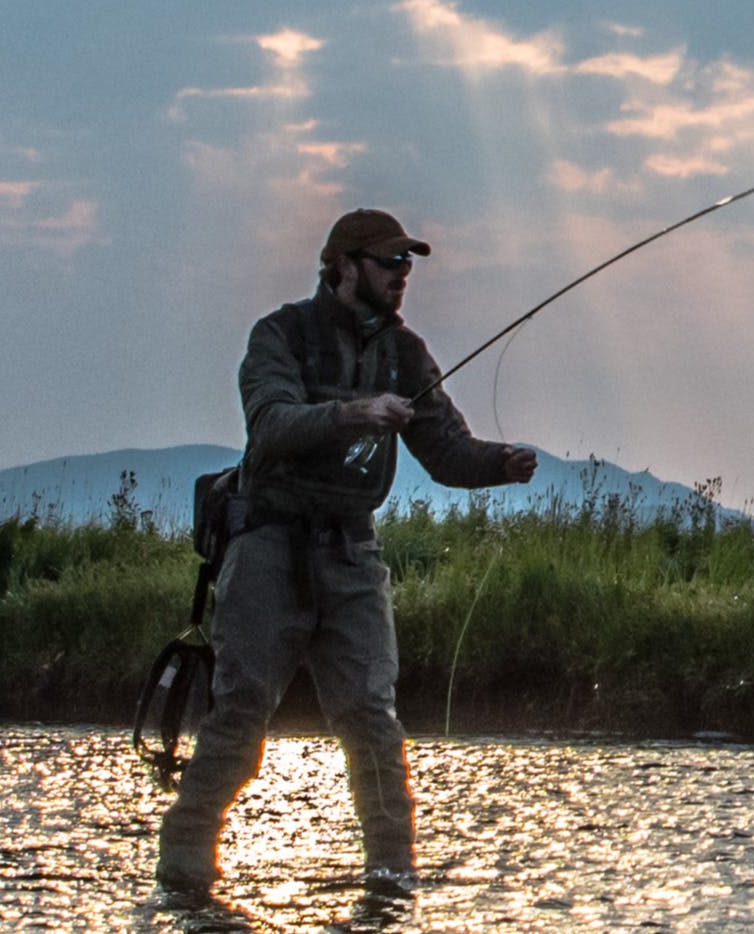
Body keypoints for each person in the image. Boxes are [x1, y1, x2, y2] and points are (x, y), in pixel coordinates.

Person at [166, 208, 539, 905]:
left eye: (408, 264)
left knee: (371, 717)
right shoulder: (279, 335)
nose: (402, 276)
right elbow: (270, 427)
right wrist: (353, 413)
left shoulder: (406, 352)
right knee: (241, 710)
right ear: (342, 267)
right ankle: (185, 872)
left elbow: (447, 453)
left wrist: (501, 463)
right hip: (268, 544)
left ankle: (392, 878)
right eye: (388, 262)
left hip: (351, 552)